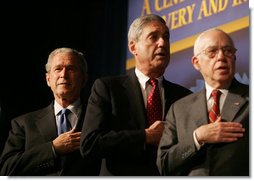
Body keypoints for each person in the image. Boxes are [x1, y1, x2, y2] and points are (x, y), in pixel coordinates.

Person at [80, 14, 192, 176]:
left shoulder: (184, 96)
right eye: (153, 37)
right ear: (133, 47)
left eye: (166, 37)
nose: (162, 43)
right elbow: (90, 144)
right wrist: (145, 137)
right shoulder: (108, 88)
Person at [157, 28, 249, 176]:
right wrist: (197, 138)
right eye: (212, 51)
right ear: (196, 62)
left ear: (235, 58)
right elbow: (164, 164)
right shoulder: (179, 109)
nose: (221, 57)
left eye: (228, 51)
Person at [0, 47, 101, 175]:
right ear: (48, 79)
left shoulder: (99, 118)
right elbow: (5, 169)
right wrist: (52, 148)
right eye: (58, 69)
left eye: (71, 69)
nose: (63, 75)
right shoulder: (23, 124)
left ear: (84, 79)